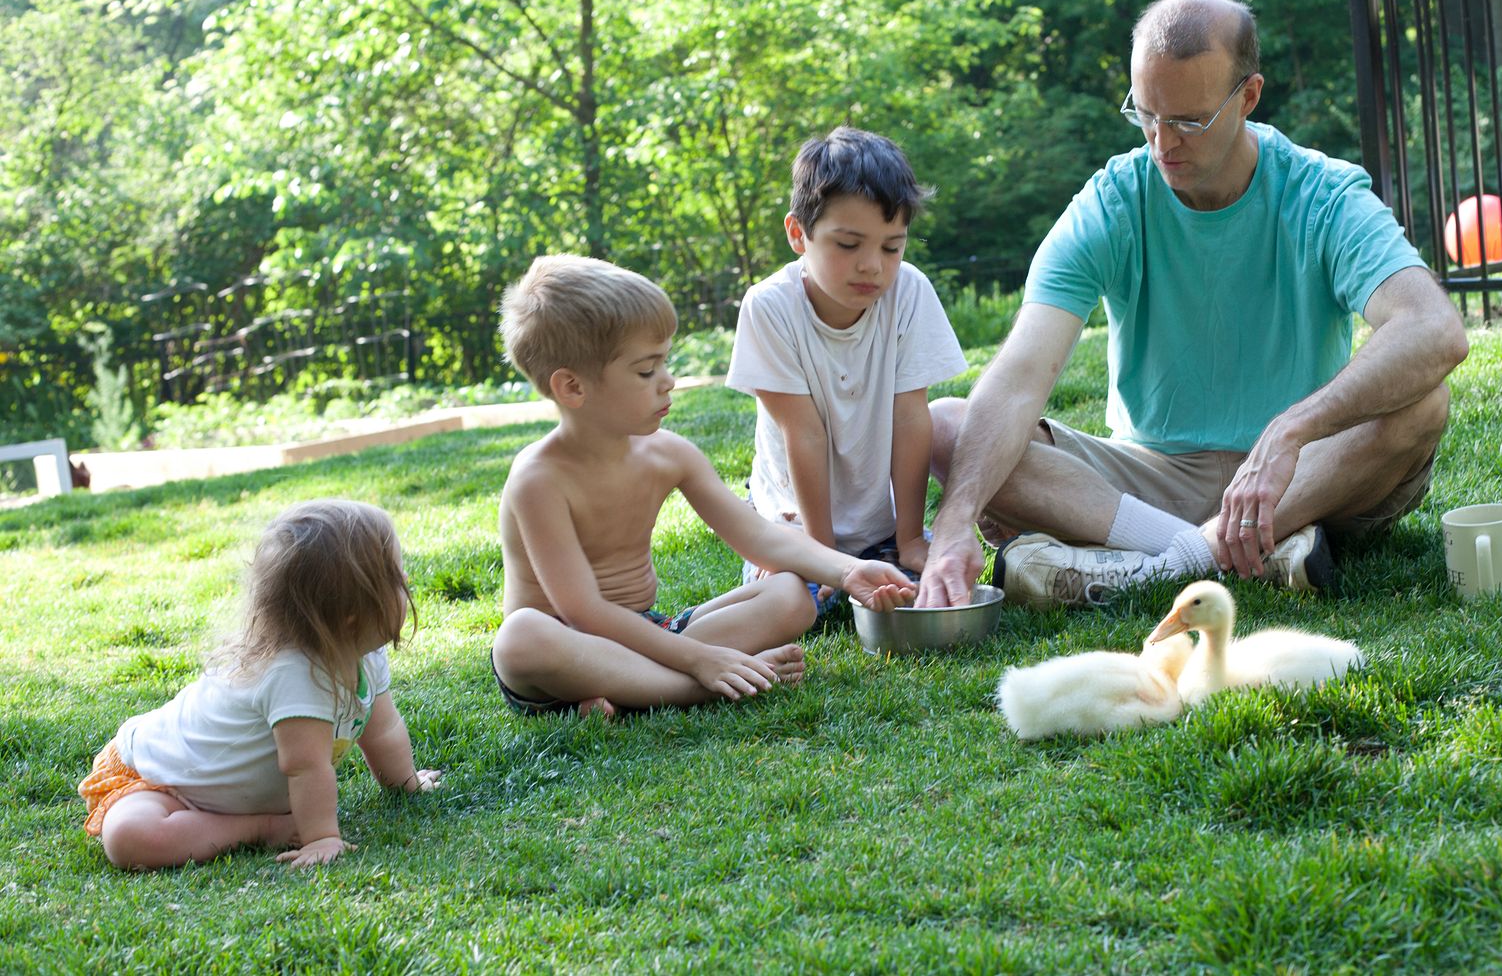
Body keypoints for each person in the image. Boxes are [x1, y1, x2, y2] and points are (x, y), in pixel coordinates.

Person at [919, 0, 1470, 609]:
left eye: (1187, 120)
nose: (1162, 142)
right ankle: (1232, 551)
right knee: (946, 427)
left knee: (1423, 401)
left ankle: (1152, 564)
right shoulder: (1111, 203)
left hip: (1309, 475)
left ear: (1249, 97)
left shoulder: (1324, 194)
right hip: (1148, 480)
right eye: (1146, 114)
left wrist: (1290, 431)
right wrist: (955, 521)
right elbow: (1020, 377)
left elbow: (1433, 329)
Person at [491, 254, 916, 718]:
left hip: (650, 632)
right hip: (565, 645)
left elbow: (757, 536)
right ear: (573, 388)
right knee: (520, 637)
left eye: (665, 363)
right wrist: (700, 661)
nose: (668, 381)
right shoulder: (539, 479)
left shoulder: (668, 454)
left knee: (791, 594)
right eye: (645, 370)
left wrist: (846, 571)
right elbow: (582, 612)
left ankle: (631, 692)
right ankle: (695, 687)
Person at [78, 500, 441, 871]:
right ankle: (261, 826)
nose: (408, 581)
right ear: (351, 614)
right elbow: (305, 766)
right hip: (161, 780)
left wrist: (406, 784)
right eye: (397, 575)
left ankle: (250, 821)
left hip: (220, 792)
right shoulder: (294, 674)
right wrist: (321, 838)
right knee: (130, 837)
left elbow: (382, 730)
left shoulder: (365, 653)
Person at [726, 126, 967, 613]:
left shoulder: (910, 293)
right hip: (795, 529)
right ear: (799, 234)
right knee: (789, 607)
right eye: (849, 244)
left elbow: (910, 418)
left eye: (891, 247)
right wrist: (825, 560)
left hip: (880, 527)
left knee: (922, 593)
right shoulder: (768, 307)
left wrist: (910, 540)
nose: (872, 267)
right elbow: (804, 434)